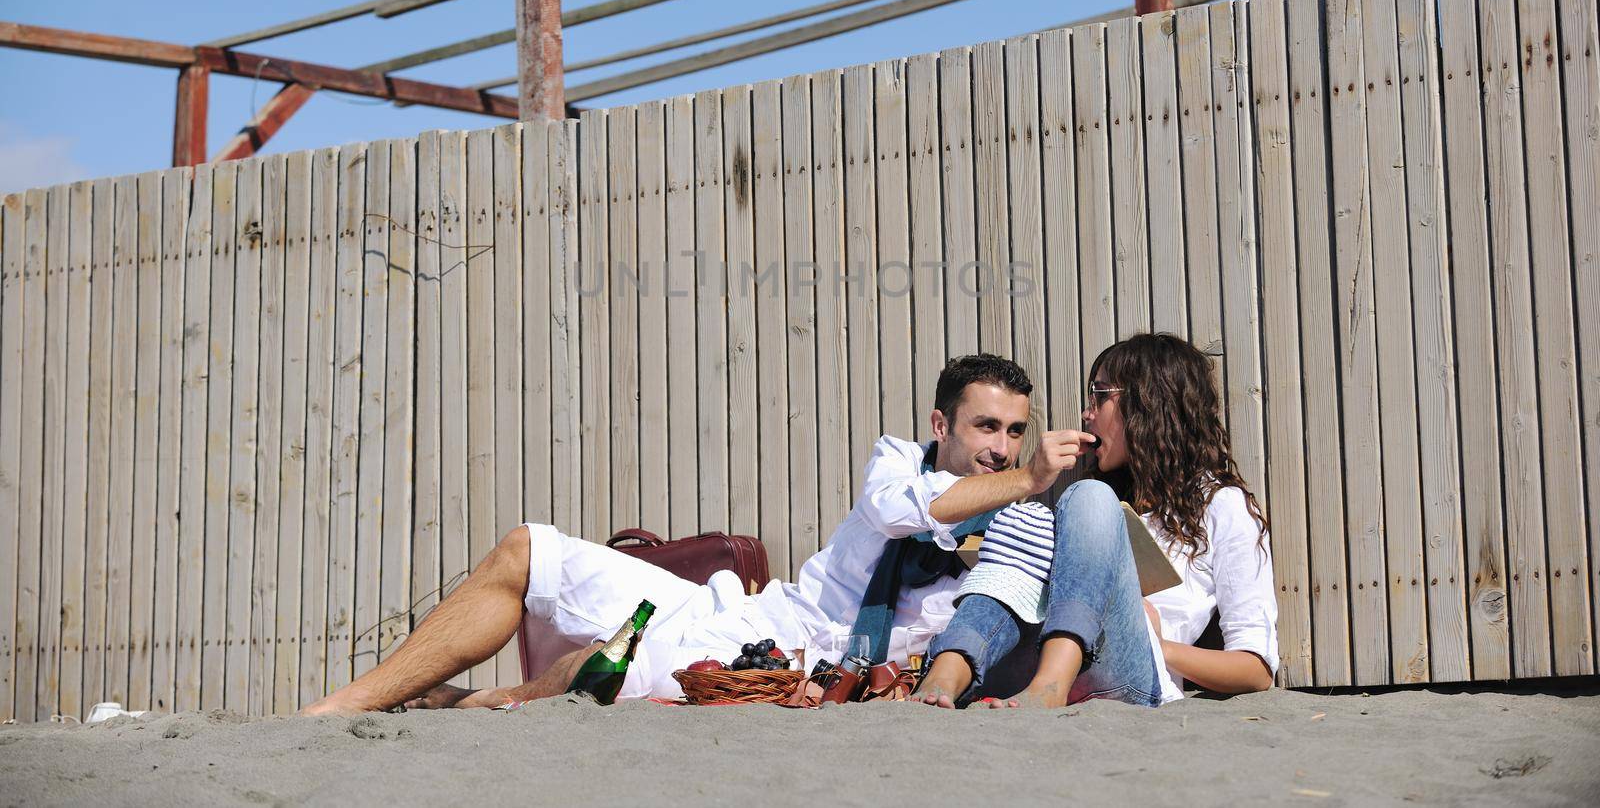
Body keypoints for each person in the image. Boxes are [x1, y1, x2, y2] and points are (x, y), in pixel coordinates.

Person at [299, 353, 1093, 715]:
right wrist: (1022, 479)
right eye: (987, 425)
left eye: (1016, 431)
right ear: (939, 425)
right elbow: (897, 511)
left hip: (778, 666)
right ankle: (341, 706)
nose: (1003, 443)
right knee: (526, 548)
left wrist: (1026, 499)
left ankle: (479, 706)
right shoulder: (902, 462)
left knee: (605, 665)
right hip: (746, 611)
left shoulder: (1022, 523)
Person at [915, 333, 1278, 709]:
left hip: (1128, 676)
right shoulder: (1106, 495)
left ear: (1148, 405)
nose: (1087, 414)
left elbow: (1256, 670)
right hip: (1033, 659)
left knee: (1088, 496)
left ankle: (1050, 684)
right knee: (1028, 520)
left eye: (1100, 396)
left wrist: (1158, 643)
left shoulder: (1221, 505)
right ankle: (947, 673)